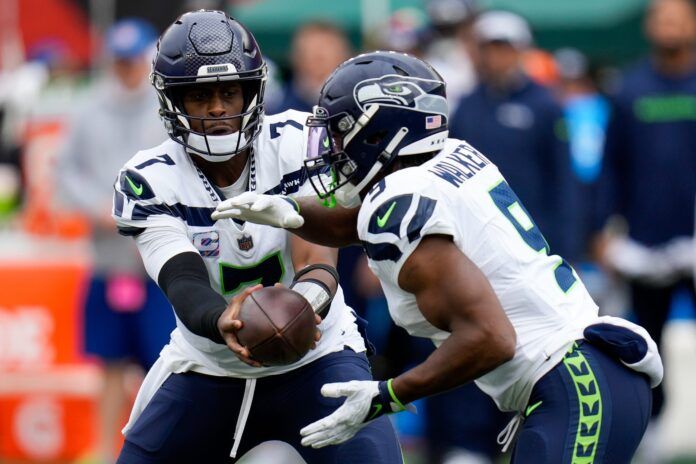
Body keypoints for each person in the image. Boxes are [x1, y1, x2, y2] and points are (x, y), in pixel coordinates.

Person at [213, 51, 663, 463]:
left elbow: (491, 337)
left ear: (381, 131)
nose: (333, 148)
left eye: (341, 131)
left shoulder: (400, 199)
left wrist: (386, 394)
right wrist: (289, 210)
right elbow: (356, 222)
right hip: (586, 373)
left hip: (572, 382)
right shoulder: (447, 157)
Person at [110, 11, 401, 464]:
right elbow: (182, 278)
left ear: (254, 90)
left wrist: (301, 307)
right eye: (200, 95)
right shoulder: (150, 178)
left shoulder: (297, 141)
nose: (217, 108)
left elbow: (317, 257)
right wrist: (221, 320)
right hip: (207, 365)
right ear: (173, 101)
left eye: (229, 92)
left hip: (317, 356)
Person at [55, 18, 175, 463]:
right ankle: (107, 449)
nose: (126, 70)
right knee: (107, 362)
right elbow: (65, 170)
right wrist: (101, 208)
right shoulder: (88, 108)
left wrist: (136, 211)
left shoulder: (163, 108)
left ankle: (162, 447)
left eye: (133, 61)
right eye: (120, 61)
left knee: (163, 365)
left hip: (158, 263)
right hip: (108, 262)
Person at [592, 0, 696, 428]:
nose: (667, 25)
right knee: (647, 345)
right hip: (645, 243)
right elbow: (611, 165)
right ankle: (651, 432)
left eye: (676, 16)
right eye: (660, 17)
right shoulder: (630, 88)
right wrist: (600, 231)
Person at [449, 11, 580, 262]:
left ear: (521, 50)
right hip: (475, 237)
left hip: (533, 237)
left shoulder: (545, 105)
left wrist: (567, 244)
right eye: (489, 48)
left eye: (503, 47)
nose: (495, 56)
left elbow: (563, 178)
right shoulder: (467, 106)